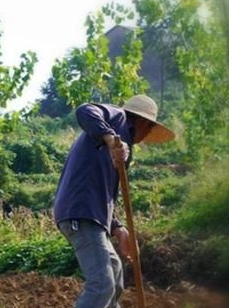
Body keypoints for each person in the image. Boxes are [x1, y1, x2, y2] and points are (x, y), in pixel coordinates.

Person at [53, 94, 175, 308]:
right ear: (143, 122)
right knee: (102, 285)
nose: (146, 136)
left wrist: (118, 228)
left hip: (94, 216)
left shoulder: (125, 150)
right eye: (149, 129)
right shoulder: (117, 118)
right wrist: (110, 137)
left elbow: (106, 193)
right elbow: (84, 109)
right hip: (80, 212)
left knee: (116, 274)